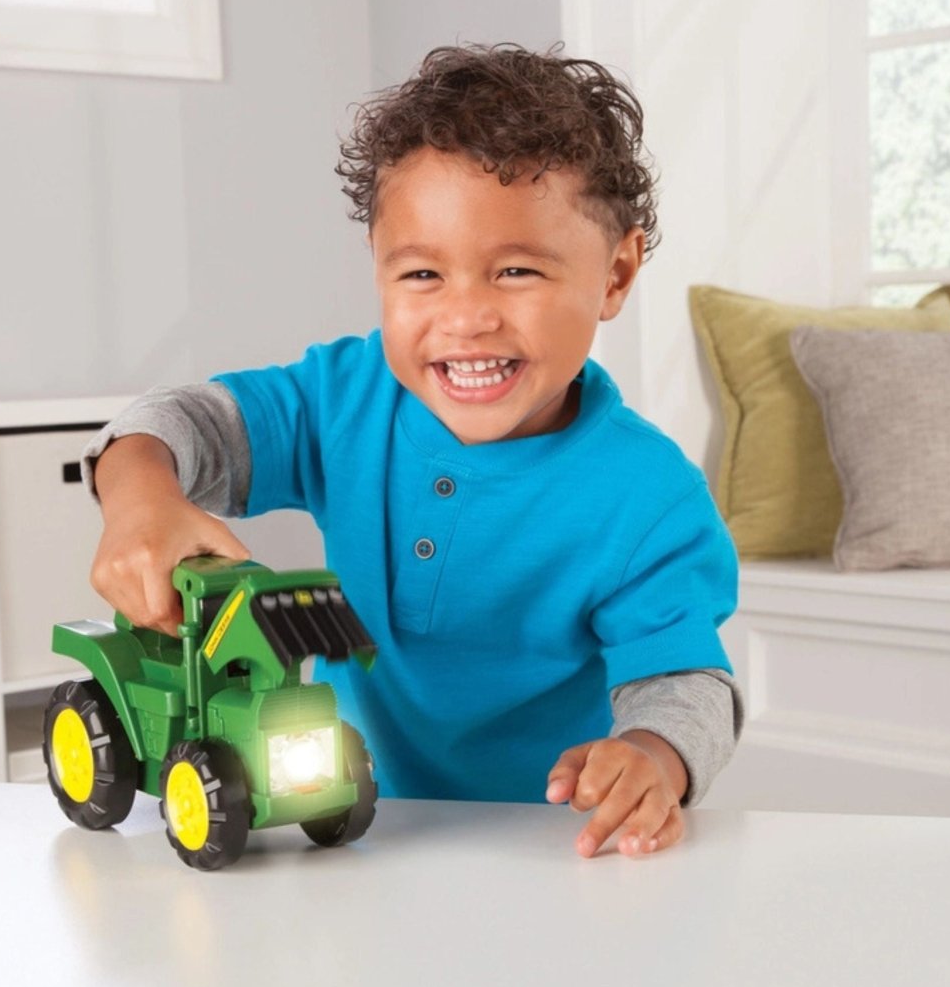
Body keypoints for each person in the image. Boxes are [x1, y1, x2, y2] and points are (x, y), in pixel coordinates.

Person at [82, 43, 742, 860]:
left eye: (516, 271)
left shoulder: (651, 498)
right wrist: (140, 492)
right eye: (423, 274)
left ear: (614, 275)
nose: (465, 318)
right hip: (348, 833)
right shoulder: (343, 398)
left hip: (545, 852)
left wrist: (654, 756)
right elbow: (187, 420)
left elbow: (686, 683)